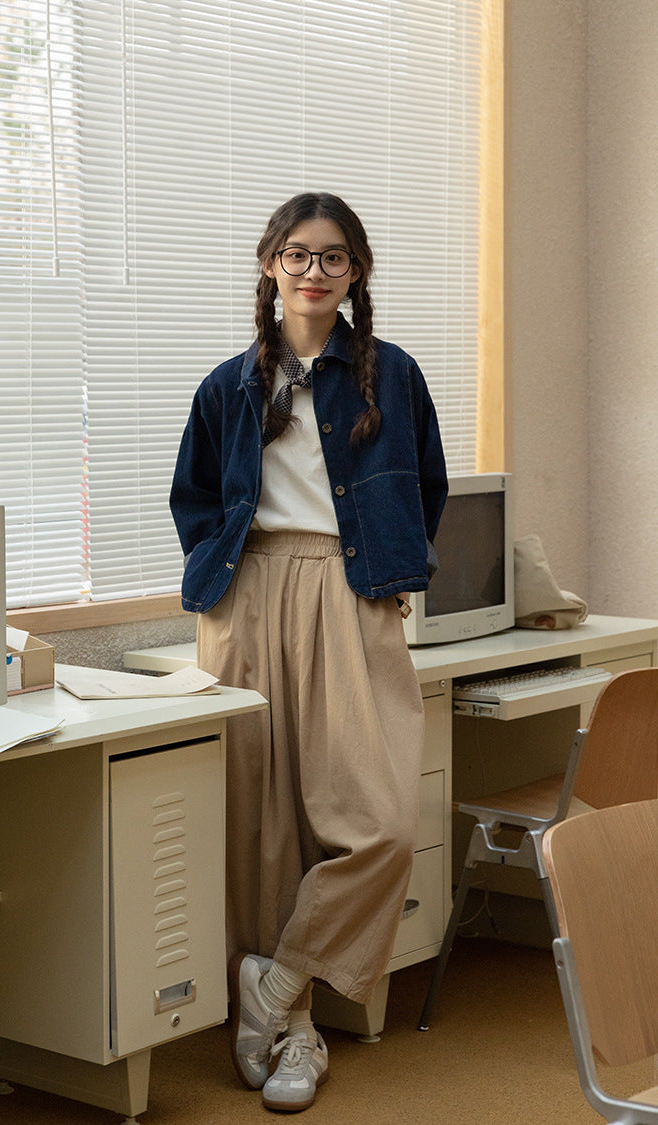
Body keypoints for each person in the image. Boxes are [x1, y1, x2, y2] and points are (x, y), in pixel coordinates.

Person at [170, 192, 447, 1113]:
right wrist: (229, 582)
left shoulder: (393, 376)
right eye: (298, 254)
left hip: (354, 588)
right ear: (269, 264)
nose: (314, 271)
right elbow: (196, 499)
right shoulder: (226, 385)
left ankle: (276, 981)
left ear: (356, 272)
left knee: (378, 823)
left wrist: (386, 564)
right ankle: (294, 1036)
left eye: (333, 257)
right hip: (248, 596)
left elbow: (429, 485)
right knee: (263, 825)